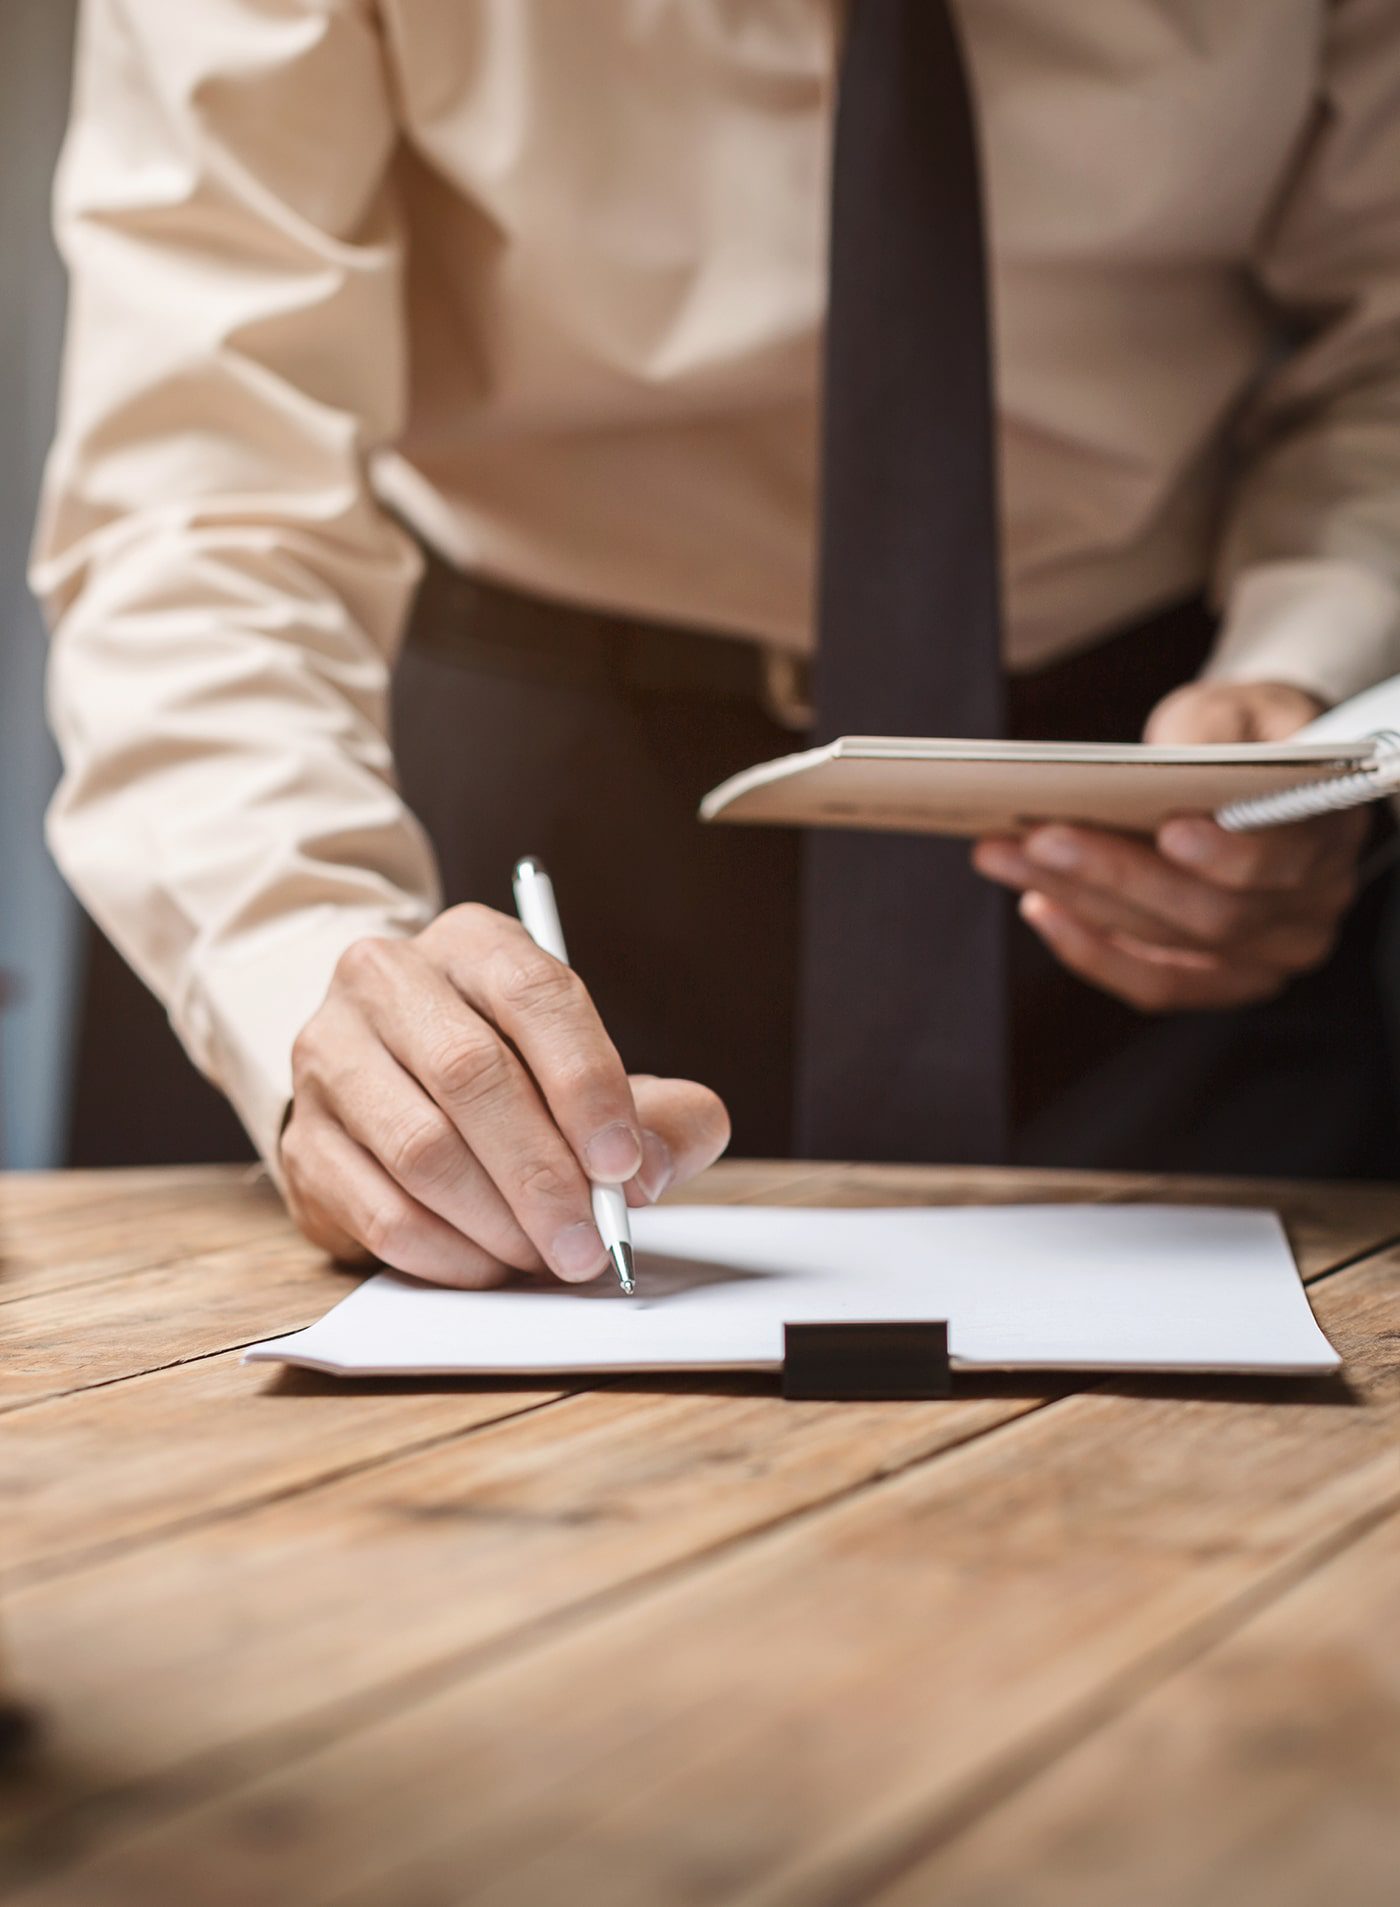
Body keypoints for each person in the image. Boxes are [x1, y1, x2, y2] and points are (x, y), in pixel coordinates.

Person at [33, 1, 1400, 1289]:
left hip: (1153, 822)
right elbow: (197, 492)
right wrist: (303, 966)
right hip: (494, 800)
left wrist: (1312, 682)